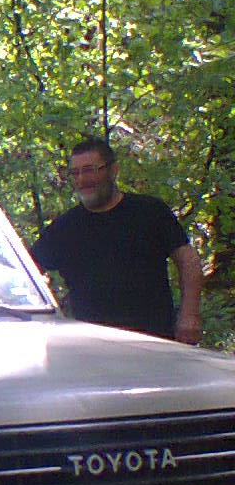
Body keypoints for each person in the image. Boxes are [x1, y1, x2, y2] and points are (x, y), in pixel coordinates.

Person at [30, 137, 202, 343]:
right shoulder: (64, 228)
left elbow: (188, 260)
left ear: (113, 170)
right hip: (91, 346)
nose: (82, 179)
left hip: (154, 342)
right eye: (75, 173)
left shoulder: (149, 212)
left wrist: (189, 315)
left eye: (90, 170)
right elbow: (24, 272)